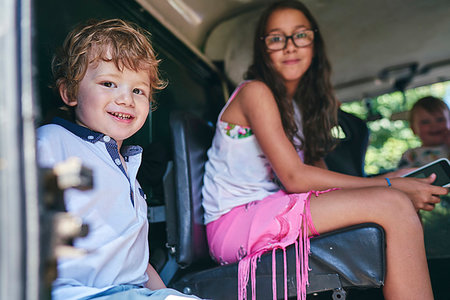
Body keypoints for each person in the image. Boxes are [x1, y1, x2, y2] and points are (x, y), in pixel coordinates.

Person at [201, 1, 447, 300]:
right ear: (263, 49)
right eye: (277, 38)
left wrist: (393, 178)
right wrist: (390, 185)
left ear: (314, 44)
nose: (290, 46)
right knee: (393, 203)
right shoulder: (255, 92)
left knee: (394, 201)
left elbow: (321, 178)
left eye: (300, 35)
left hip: (274, 207)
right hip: (235, 223)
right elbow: (295, 177)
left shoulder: (299, 108)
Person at [37, 19, 199, 300]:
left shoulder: (127, 169)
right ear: (70, 92)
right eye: (109, 83)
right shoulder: (51, 142)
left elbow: (134, 263)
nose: (126, 99)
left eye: (138, 90)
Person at [398, 96, 450, 168]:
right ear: (413, 129)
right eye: (425, 122)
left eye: (440, 120)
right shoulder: (411, 155)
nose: (434, 126)